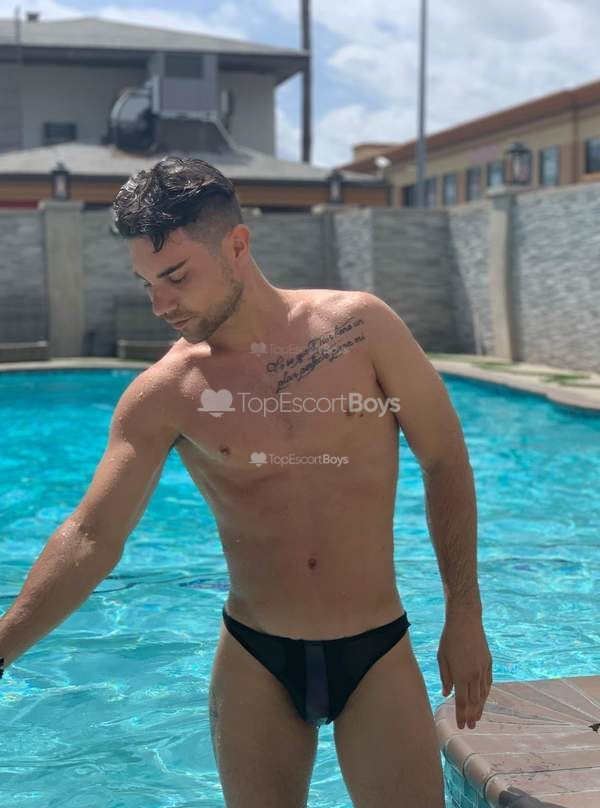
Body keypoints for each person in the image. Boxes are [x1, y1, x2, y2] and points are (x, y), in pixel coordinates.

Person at [0, 156, 492, 808]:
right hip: (256, 660)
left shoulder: (359, 328)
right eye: (146, 283)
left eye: (176, 276)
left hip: (376, 648)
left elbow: (445, 460)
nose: (160, 304)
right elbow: (92, 534)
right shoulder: (167, 392)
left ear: (236, 245)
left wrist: (465, 612)